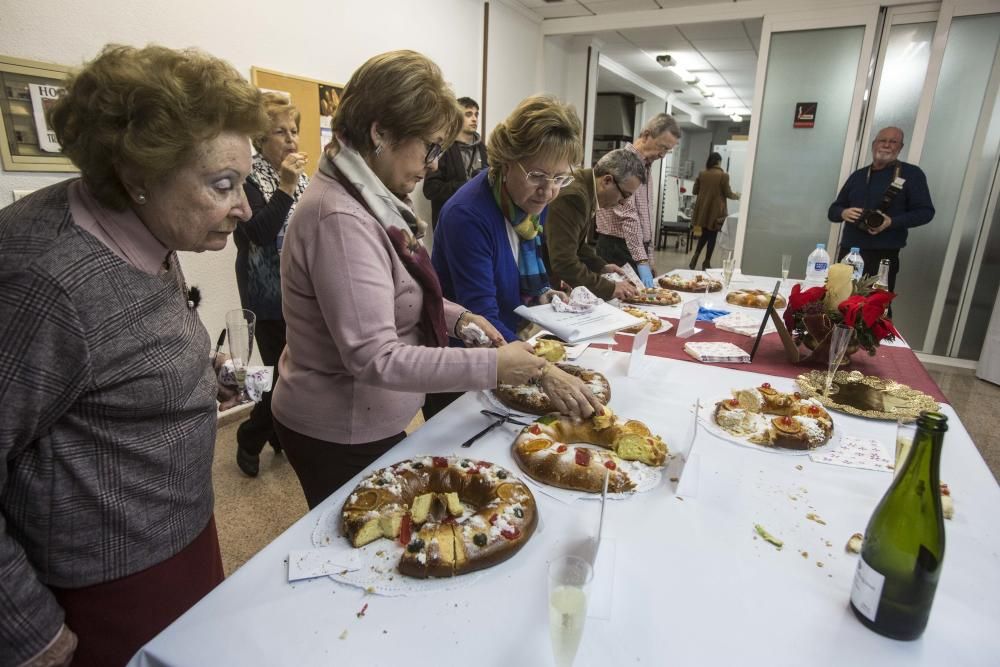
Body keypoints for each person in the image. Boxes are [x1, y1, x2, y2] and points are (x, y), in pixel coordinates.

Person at [0, 44, 268, 667]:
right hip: (101, 582)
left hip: (177, 535)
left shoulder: (147, 226)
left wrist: (205, 377)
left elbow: (120, 357)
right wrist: (24, 625)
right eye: (223, 185)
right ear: (139, 175)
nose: (245, 207)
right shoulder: (47, 280)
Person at [271, 52, 601, 511]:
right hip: (339, 426)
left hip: (365, 415)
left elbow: (399, 291)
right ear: (380, 133)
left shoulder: (367, 196)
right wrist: (495, 365)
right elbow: (376, 358)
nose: (431, 165)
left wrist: (459, 314)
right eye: (429, 147)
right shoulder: (340, 219)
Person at [433, 95, 585, 341]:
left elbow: (519, 269)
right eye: (537, 175)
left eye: (559, 178)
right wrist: (540, 369)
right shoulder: (467, 216)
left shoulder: (531, 201)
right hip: (467, 354)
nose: (548, 192)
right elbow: (483, 321)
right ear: (506, 162)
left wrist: (541, 294)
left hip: (507, 338)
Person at [233, 92, 309, 477]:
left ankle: (279, 434)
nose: (291, 139)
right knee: (280, 376)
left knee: (298, 369)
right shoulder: (247, 178)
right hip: (266, 295)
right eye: (280, 132)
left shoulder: (306, 177)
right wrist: (285, 185)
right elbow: (260, 233)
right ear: (260, 140)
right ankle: (249, 436)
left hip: (301, 290)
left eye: (293, 130)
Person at [827, 126, 934, 292]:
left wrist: (891, 222)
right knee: (839, 302)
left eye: (893, 142)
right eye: (882, 140)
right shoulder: (859, 176)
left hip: (884, 255)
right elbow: (833, 211)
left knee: (876, 309)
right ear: (873, 145)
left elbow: (926, 212)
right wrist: (843, 212)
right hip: (850, 253)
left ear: (900, 147)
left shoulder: (912, 174)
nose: (886, 145)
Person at [544, 147, 646, 300]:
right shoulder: (575, 196)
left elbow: (575, 242)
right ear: (607, 180)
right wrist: (610, 288)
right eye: (625, 195)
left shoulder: (585, 188)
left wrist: (601, 266)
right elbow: (564, 261)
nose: (624, 203)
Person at [595, 113, 682, 287]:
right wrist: (642, 260)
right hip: (617, 247)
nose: (662, 155)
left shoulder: (646, 165)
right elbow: (629, 216)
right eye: (662, 147)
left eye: (667, 150)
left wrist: (649, 259)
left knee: (640, 302)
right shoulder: (623, 162)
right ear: (646, 135)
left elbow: (645, 217)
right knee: (621, 304)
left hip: (635, 246)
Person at [422, 96, 489, 228]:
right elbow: (430, 189)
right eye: (468, 114)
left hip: (478, 221)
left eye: (476, 114)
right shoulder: (444, 148)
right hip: (450, 224)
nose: (474, 119)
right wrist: (464, 186)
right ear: (457, 118)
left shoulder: (483, 148)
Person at [688, 152, 740, 270]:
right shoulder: (723, 175)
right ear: (719, 162)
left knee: (704, 234)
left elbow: (695, 191)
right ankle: (706, 262)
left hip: (702, 210)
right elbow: (728, 193)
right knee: (712, 236)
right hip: (715, 211)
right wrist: (737, 196)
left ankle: (695, 256)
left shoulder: (702, 173)